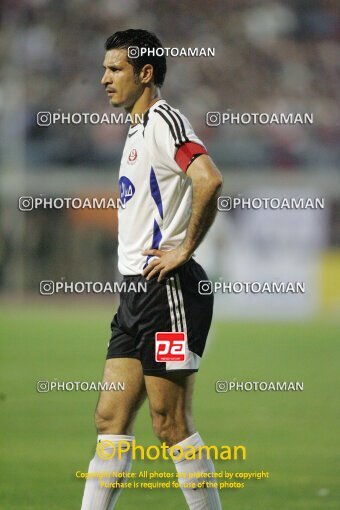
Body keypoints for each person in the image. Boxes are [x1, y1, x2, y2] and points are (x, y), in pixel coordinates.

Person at [81, 29, 223, 510]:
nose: (104, 79)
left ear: (145, 73)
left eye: (115, 69)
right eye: (104, 68)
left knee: (170, 424)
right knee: (109, 419)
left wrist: (183, 248)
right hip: (135, 296)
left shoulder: (164, 121)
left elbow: (209, 178)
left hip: (169, 292)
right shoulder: (137, 129)